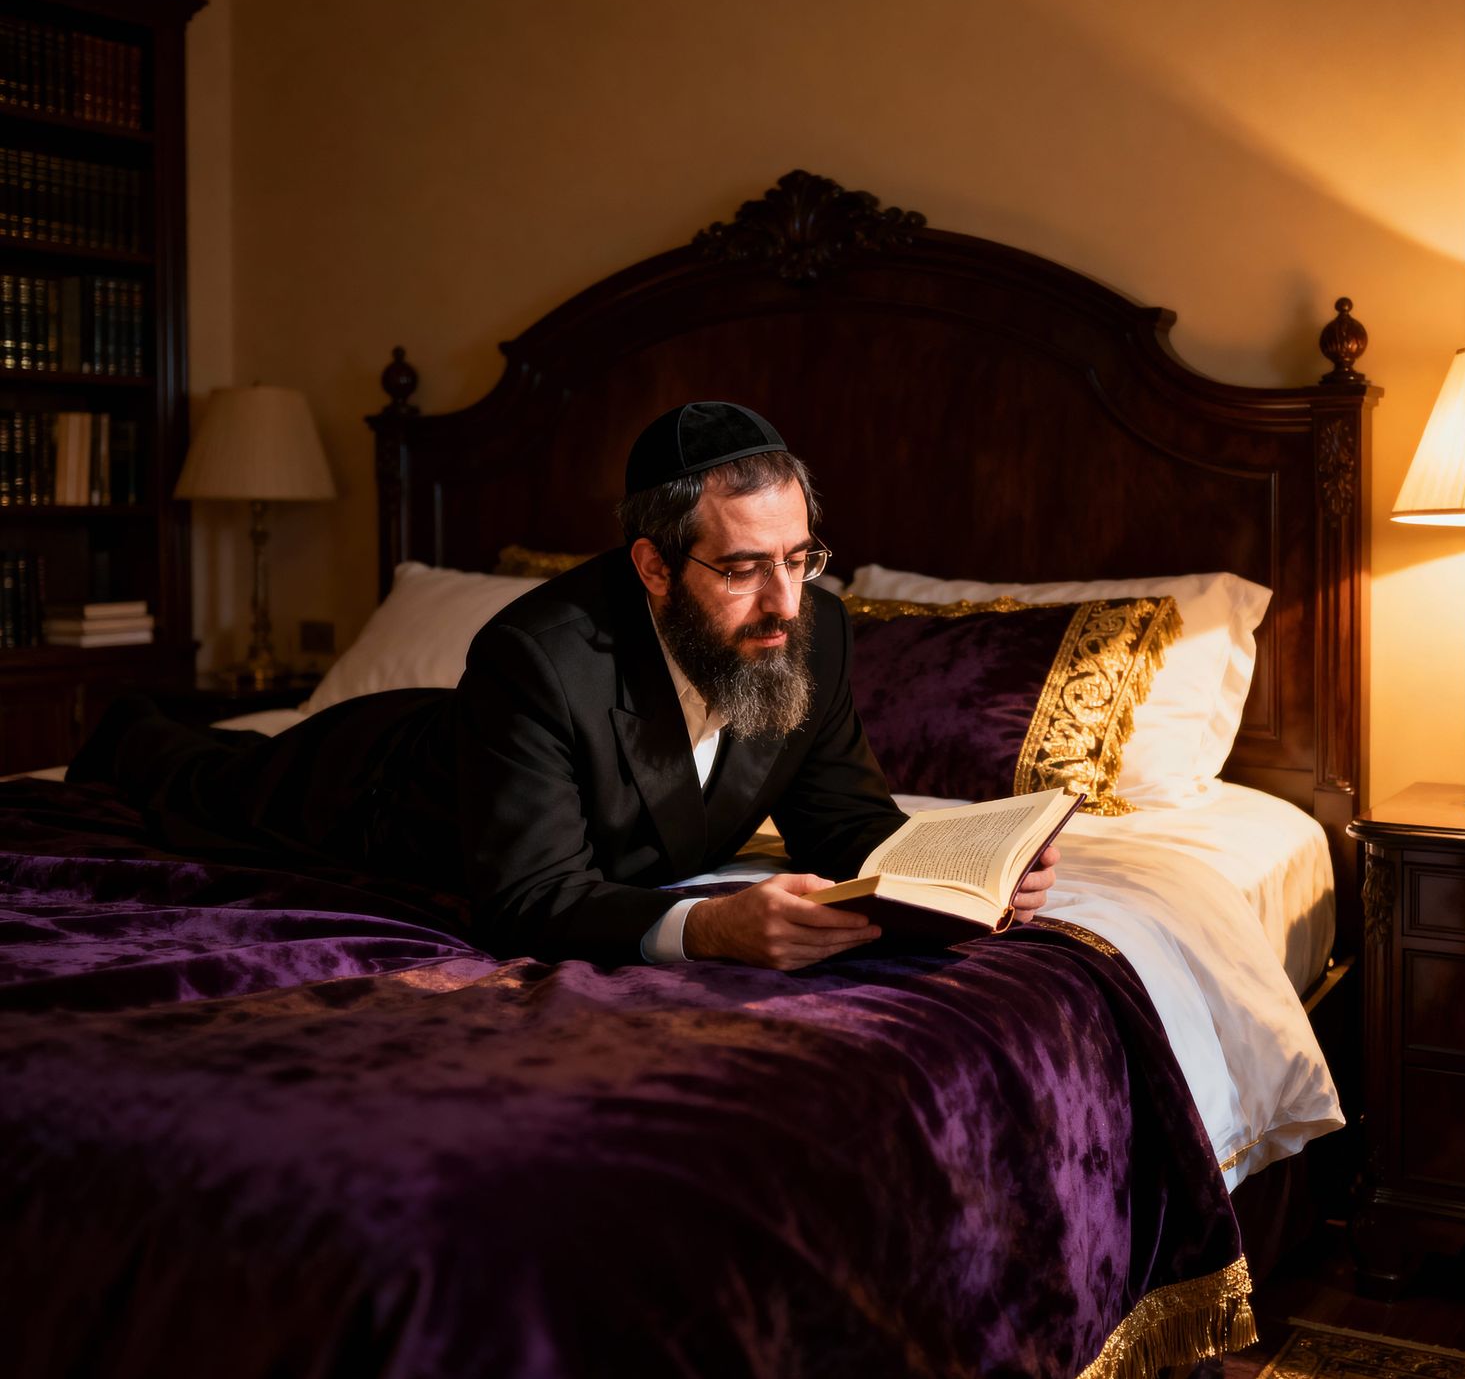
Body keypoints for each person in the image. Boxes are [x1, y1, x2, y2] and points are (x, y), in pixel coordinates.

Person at [70, 401, 1058, 968]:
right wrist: (710, 927)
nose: (784, 602)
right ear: (654, 566)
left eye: (800, 557)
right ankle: (127, 728)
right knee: (202, 778)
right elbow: (528, 899)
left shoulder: (816, 629)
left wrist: (969, 874)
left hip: (470, 748)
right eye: (744, 567)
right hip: (375, 785)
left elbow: (842, 818)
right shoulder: (536, 656)